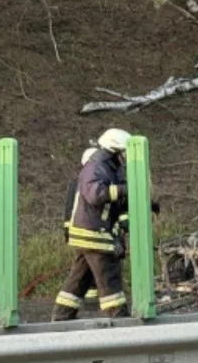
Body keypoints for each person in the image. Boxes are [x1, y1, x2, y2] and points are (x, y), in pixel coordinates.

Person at [54, 129, 137, 321]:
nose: (126, 157)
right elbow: (95, 194)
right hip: (94, 232)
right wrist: (126, 189)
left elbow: (115, 201)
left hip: (90, 232)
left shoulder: (108, 167)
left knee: (79, 278)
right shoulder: (96, 167)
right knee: (109, 276)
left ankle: (61, 315)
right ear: (114, 150)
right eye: (124, 152)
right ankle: (118, 316)